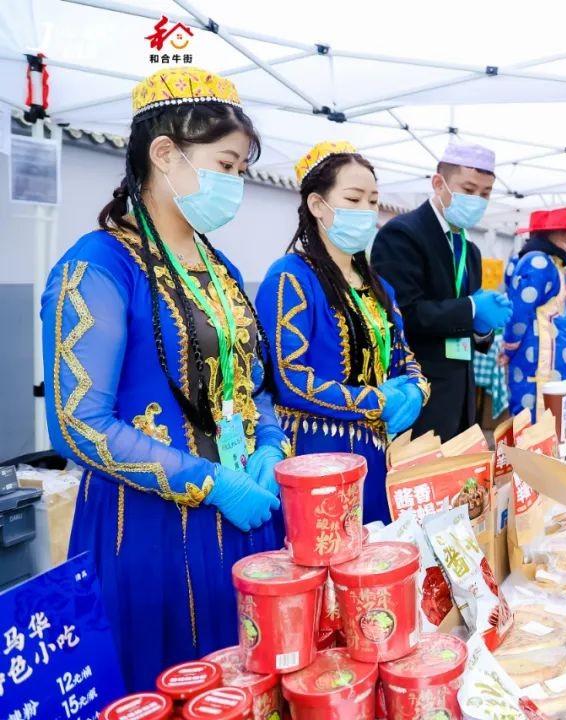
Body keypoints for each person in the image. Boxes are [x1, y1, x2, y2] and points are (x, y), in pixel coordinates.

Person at [41, 68, 286, 690]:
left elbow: (254, 382)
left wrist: (268, 445)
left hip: (246, 517)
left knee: (249, 684)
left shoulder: (218, 267)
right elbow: (78, 422)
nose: (235, 183)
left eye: (240, 169)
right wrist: (208, 481)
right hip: (149, 528)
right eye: (225, 164)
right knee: (171, 684)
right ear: (165, 154)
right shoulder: (98, 266)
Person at [256, 142, 429, 524]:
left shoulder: (378, 287)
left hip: (377, 455)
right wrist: (374, 401)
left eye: (373, 201)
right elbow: (290, 379)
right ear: (318, 205)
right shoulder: (290, 278)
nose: (366, 210)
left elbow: (405, 357)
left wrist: (417, 389)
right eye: (353, 199)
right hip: (316, 457)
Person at [372, 143, 511, 441]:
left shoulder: (470, 250)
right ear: (438, 183)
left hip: (460, 398)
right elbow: (404, 314)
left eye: (485, 193)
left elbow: (467, 328)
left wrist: (482, 329)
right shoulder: (403, 234)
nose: (477, 200)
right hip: (418, 393)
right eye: (469, 189)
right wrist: (471, 309)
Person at [502, 208, 566, 417]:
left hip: (551, 357)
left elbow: (546, 300)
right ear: (564, 236)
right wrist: (509, 347)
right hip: (539, 361)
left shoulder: (549, 262)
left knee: (552, 419)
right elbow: (519, 312)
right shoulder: (538, 263)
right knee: (538, 420)